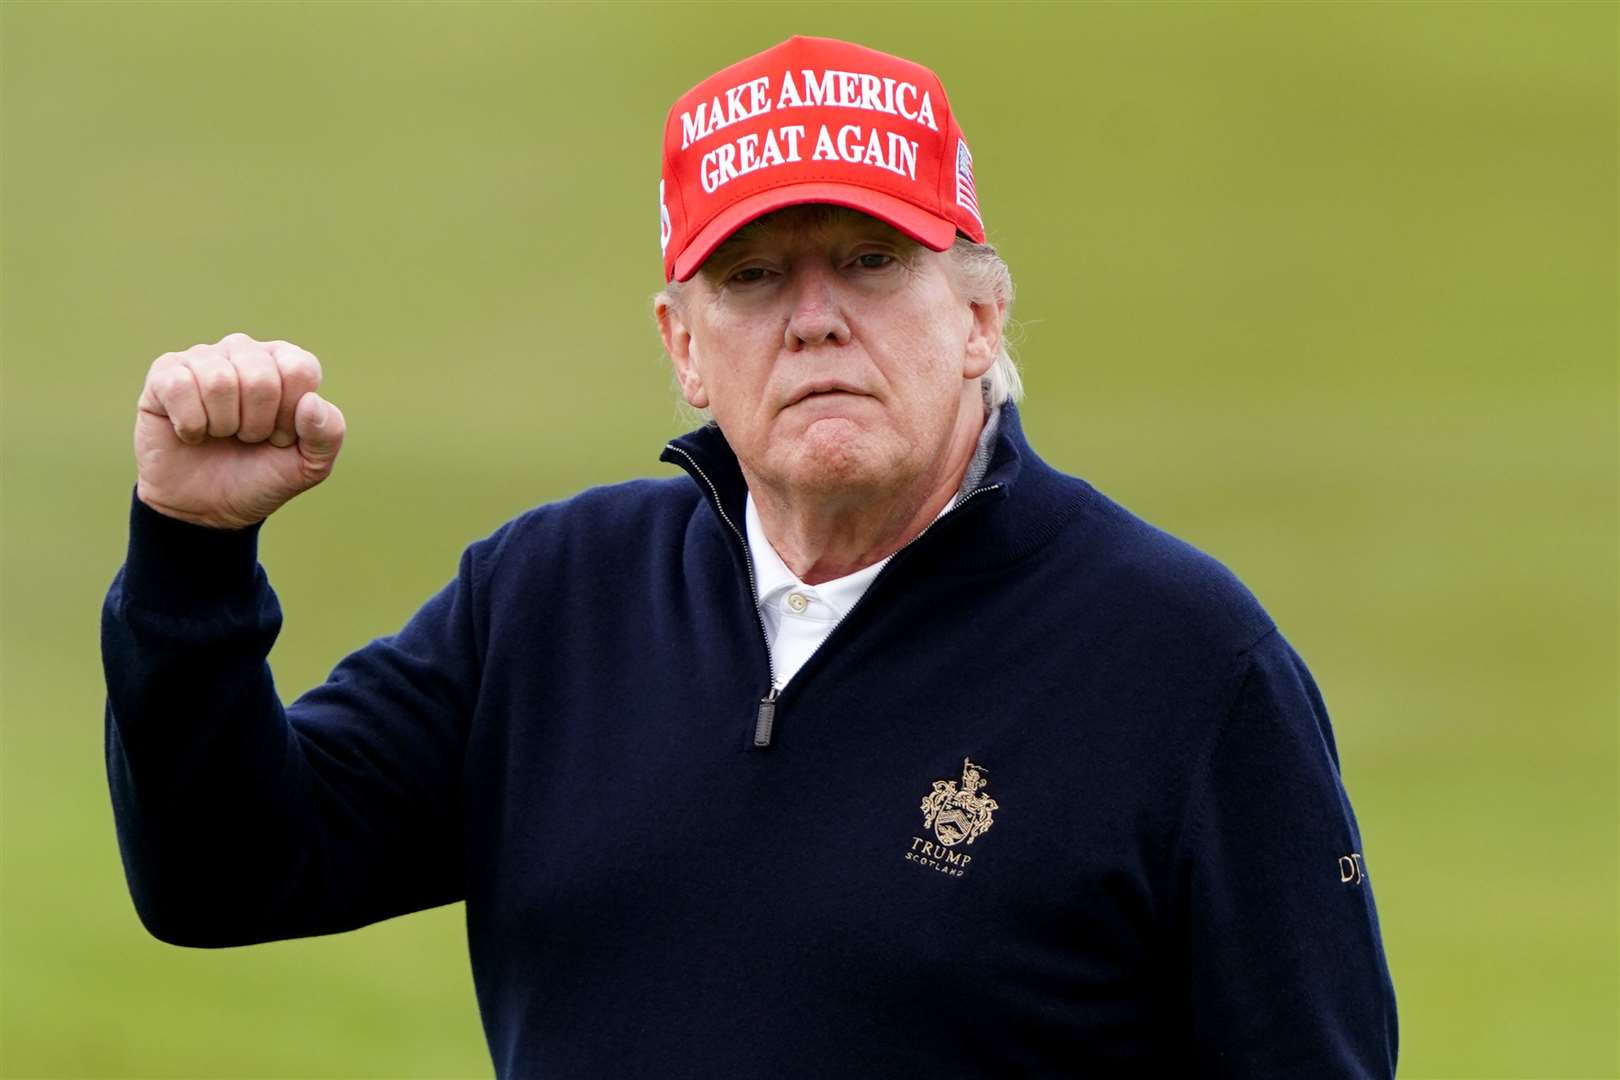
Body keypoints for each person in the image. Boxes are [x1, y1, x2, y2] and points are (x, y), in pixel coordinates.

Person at [101, 34, 1398, 1077]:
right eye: (756, 276)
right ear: (681, 342)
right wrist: (192, 558)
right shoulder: (550, 601)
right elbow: (222, 872)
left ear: (978, 314)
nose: (815, 320)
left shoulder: (1180, 662)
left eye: (871, 262)